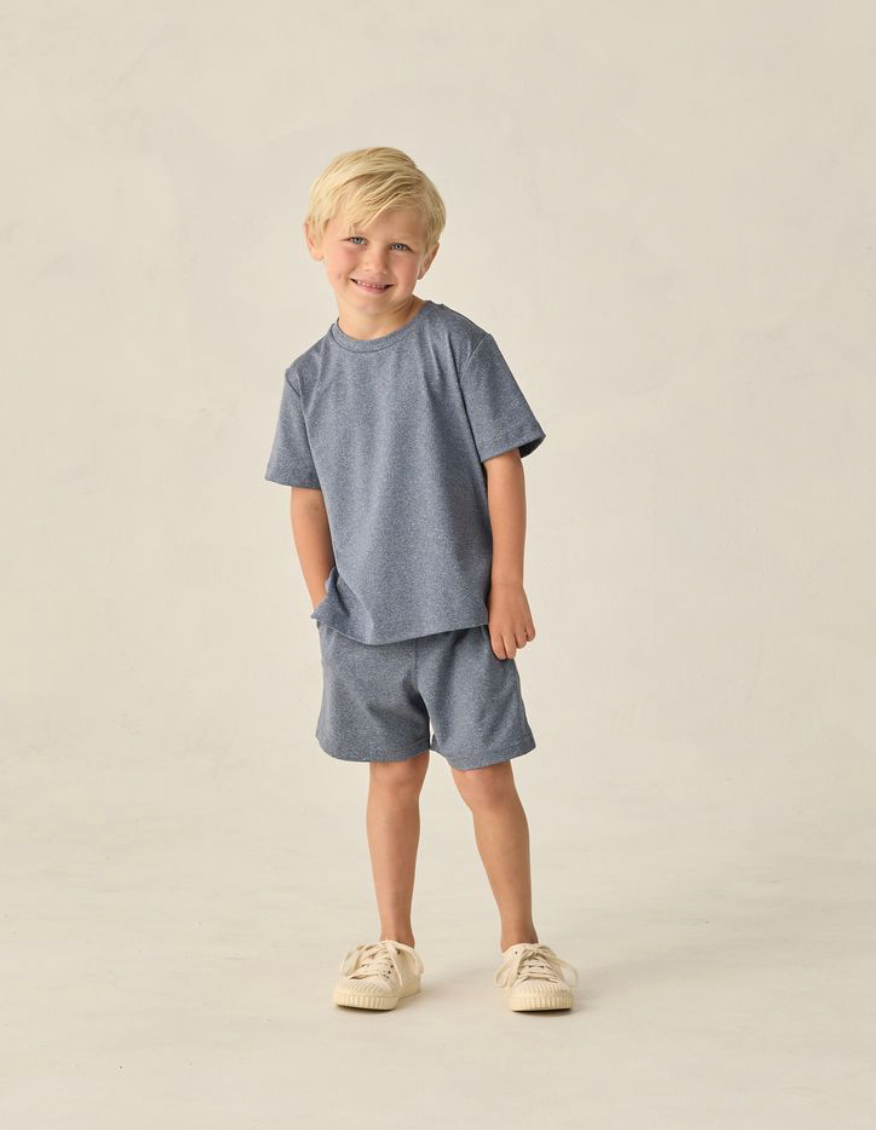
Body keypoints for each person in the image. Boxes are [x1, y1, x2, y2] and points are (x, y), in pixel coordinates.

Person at [264, 146, 578, 1012]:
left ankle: (523, 945)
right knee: (392, 778)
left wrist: (506, 584)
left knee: (485, 780)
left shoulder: (458, 346)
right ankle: (392, 944)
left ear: (428, 257)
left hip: (465, 620)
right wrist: (325, 601)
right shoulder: (308, 378)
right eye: (356, 239)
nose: (376, 262)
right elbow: (305, 497)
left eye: (400, 246)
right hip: (364, 625)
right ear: (316, 240)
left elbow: (503, 464)